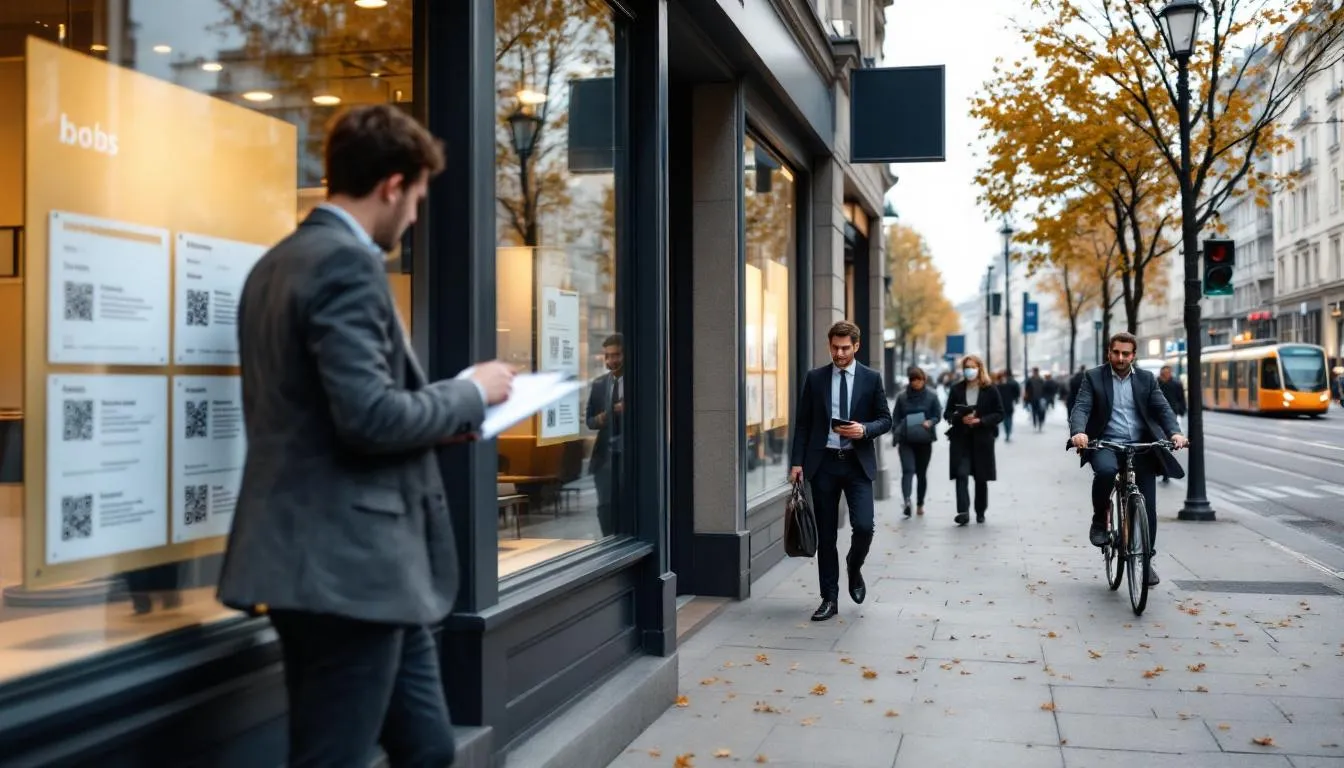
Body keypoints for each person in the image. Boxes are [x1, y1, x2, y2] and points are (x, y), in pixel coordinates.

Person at [218, 105, 516, 767]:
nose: (413, 218)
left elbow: (319, 416)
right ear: (392, 185)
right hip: (346, 568)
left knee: (428, 747)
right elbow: (369, 418)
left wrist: (442, 419)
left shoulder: (276, 263)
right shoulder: (344, 265)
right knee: (335, 756)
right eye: (417, 200)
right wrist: (470, 393)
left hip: (342, 565)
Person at [789, 321, 892, 622]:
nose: (840, 353)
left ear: (856, 346)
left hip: (857, 464)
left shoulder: (871, 378)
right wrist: (797, 462)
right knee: (827, 536)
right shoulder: (816, 378)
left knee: (864, 527)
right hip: (824, 464)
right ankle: (829, 598)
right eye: (835, 347)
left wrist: (864, 429)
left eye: (846, 348)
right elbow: (804, 423)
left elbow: (885, 419)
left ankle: (854, 566)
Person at [1069, 332, 1188, 587]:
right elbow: (1082, 407)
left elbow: (1162, 409)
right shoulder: (1094, 377)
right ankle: (1100, 519)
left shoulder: (1146, 379)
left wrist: (1175, 433)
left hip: (1140, 446)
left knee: (1149, 507)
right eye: (1116, 353)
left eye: (1126, 353)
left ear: (1133, 355)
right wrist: (1079, 431)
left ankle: (1146, 560)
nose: (1120, 358)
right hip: (1107, 444)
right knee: (1105, 472)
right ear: (1109, 353)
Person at [943, 355, 1004, 526]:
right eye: (966, 367)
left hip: (982, 440)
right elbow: (947, 413)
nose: (969, 370)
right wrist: (959, 418)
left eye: (972, 367)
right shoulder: (956, 389)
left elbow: (1000, 413)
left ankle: (980, 511)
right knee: (961, 474)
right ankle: (963, 511)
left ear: (979, 368)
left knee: (980, 477)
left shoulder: (990, 389)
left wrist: (981, 420)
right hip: (960, 440)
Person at [586, 333, 624, 536]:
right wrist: (600, 419)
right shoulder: (599, 384)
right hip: (603, 458)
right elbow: (589, 421)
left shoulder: (639, 383)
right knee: (604, 506)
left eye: (616, 355)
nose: (611, 360)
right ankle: (608, 540)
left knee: (626, 503)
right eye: (607, 356)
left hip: (628, 454)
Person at [891, 366, 940, 518]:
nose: (916, 383)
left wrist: (930, 422)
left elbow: (937, 415)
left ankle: (920, 503)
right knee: (908, 470)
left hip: (924, 440)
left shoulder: (932, 396)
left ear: (924, 380)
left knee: (921, 473)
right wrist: (897, 430)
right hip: (906, 440)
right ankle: (907, 501)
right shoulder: (902, 397)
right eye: (913, 380)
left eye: (918, 380)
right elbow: (895, 417)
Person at [995, 369, 1021, 442]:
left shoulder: (999, 386)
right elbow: (1016, 393)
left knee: (1007, 419)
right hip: (1007, 405)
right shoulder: (1010, 384)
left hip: (1005, 405)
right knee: (1008, 419)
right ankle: (1008, 433)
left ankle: (1008, 433)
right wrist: (1015, 399)